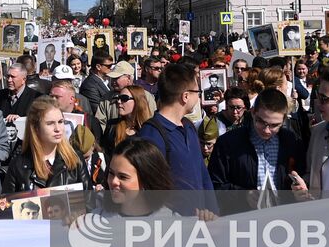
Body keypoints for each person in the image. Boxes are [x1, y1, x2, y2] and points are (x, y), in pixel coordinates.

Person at [135, 64, 217, 212]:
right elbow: (149, 189)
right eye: (197, 92)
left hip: (201, 223)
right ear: (185, 96)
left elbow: (202, 174)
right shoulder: (151, 134)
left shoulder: (189, 127)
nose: (199, 97)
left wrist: (213, 211)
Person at [207, 89, 304, 208]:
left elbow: (304, 176)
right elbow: (214, 185)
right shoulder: (227, 143)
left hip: (284, 217)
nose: (267, 130)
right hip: (244, 219)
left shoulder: (291, 141)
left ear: (284, 120)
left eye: (274, 125)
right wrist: (244, 195)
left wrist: (300, 190)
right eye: (261, 122)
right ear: (252, 112)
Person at [6, 96, 93, 193]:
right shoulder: (18, 165)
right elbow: (6, 206)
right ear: (36, 128)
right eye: (50, 123)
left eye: (60, 122)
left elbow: (89, 202)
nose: (57, 128)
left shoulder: (75, 159)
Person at [96, 138, 178, 218]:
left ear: (146, 179)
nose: (114, 181)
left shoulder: (173, 223)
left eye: (123, 177)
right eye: (111, 173)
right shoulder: (95, 221)